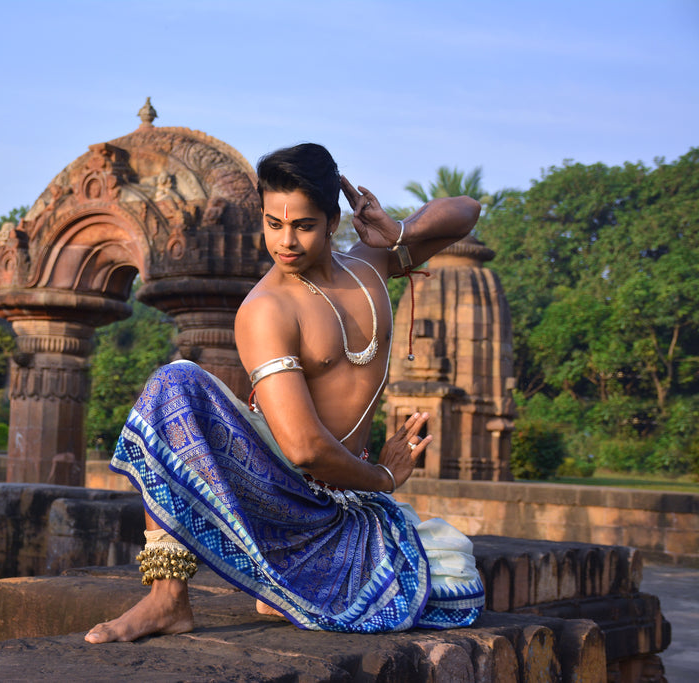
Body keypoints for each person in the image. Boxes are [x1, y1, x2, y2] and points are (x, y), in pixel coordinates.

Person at [85, 143, 485, 643]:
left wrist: (396, 230)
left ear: (334, 219)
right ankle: (167, 599)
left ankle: (284, 584)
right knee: (175, 383)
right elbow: (304, 449)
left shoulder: (371, 266)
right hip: (280, 492)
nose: (286, 241)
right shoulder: (267, 309)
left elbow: (466, 211)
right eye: (273, 224)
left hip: (343, 504)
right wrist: (384, 476)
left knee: (457, 587)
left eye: (303, 225)